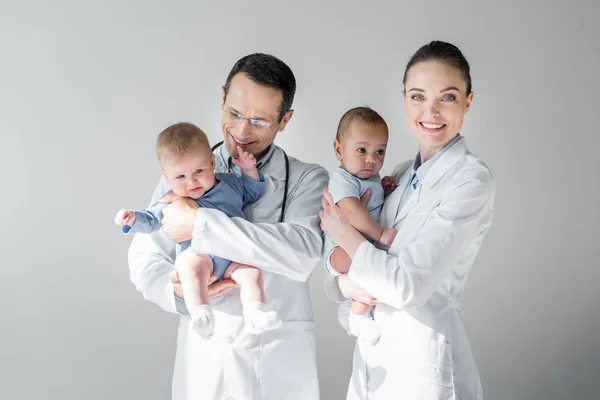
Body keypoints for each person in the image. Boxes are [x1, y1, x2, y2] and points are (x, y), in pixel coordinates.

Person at [127, 53, 328, 400]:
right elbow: (144, 260)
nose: (241, 131)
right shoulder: (184, 170)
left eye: (260, 121)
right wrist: (175, 292)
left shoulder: (307, 179)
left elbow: (301, 251)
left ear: (285, 120)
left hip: (276, 364)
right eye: (234, 113)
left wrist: (198, 223)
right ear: (222, 97)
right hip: (206, 363)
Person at [321, 41, 496, 399]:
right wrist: (344, 286)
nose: (430, 111)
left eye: (447, 97)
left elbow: (406, 286)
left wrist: (343, 232)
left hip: (423, 361)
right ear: (404, 99)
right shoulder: (396, 177)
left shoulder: (471, 181)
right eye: (417, 96)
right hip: (371, 361)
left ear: (468, 101)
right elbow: (356, 268)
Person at [116, 123, 282, 337]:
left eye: (198, 171)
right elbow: (150, 221)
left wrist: (249, 170)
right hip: (200, 256)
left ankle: (256, 313)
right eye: (180, 177)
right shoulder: (171, 200)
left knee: (252, 273)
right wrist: (132, 218)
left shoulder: (230, 184)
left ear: (212, 163)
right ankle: (202, 314)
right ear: (166, 175)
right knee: (187, 265)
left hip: (233, 255)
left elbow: (252, 191)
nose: (191, 181)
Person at [322, 106, 397, 345]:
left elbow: (370, 205)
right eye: (362, 150)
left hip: (354, 248)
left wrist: (383, 191)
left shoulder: (368, 179)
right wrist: (381, 233)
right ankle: (356, 316)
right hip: (338, 251)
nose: (371, 159)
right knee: (369, 269)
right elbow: (353, 214)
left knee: (368, 276)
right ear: (339, 150)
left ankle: (359, 314)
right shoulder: (342, 179)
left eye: (380, 152)